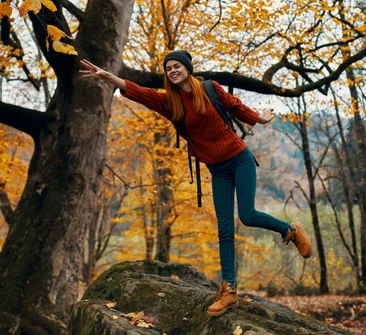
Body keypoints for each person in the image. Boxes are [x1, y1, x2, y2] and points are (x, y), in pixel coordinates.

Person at [79, 51, 312, 317]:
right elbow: (140, 92)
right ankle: (230, 291)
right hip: (218, 169)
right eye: (168, 68)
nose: (172, 71)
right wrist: (108, 76)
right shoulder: (171, 103)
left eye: (176, 66)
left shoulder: (210, 88)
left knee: (247, 215)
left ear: (187, 68)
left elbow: (236, 106)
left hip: (240, 159)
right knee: (224, 229)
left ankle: (290, 230)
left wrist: (261, 118)